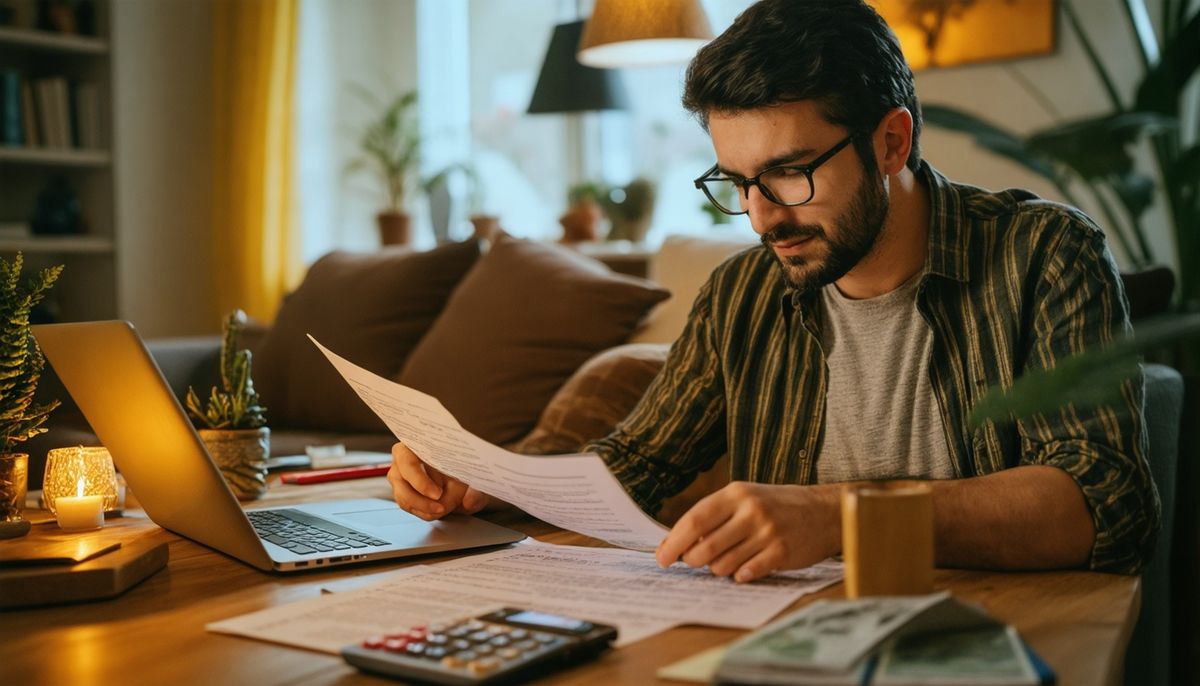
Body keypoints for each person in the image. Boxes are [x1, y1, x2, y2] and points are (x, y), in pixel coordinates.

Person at [387, 0, 1160, 582]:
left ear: (892, 141)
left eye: (790, 173)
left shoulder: (1045, 254)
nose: (762, 216)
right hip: (782, 637)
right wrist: (490, 481)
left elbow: (1104, 501)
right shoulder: (742, 294)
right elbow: (636, 460)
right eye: (737, 181)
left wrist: (844, 518)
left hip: (991, 634)